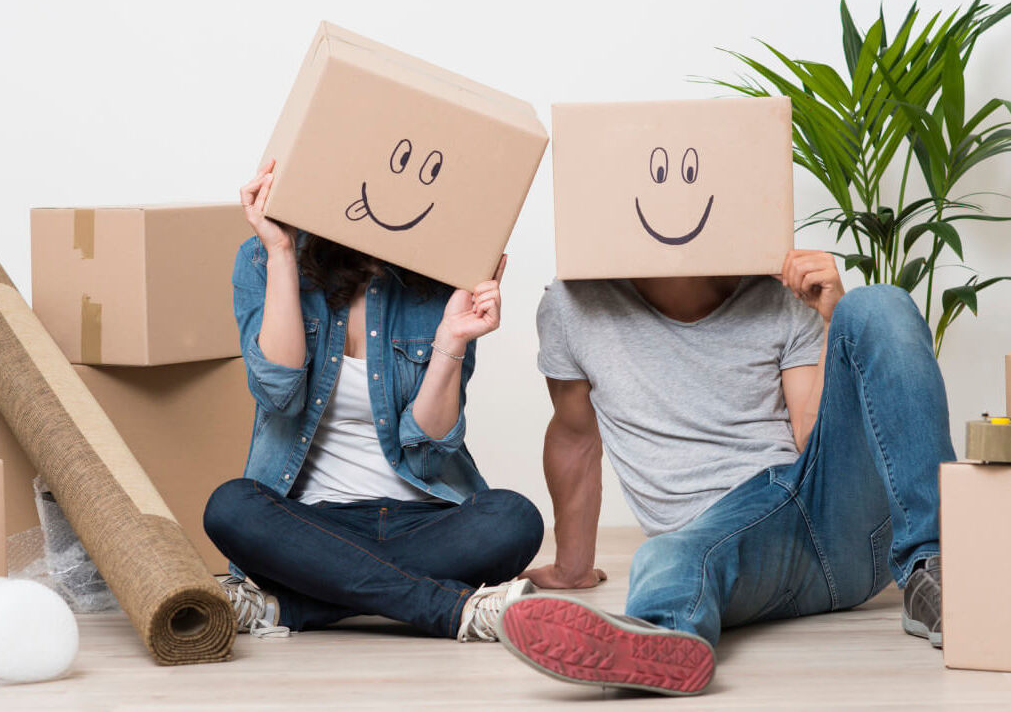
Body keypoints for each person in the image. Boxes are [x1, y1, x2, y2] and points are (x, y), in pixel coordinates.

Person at [498, 251, 952, 695]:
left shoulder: (779, 292)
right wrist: (572, 567)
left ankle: (932, 573)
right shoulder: (573, 304)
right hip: (726, 553)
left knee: (879, 302)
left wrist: (832, 321)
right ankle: (660, 644)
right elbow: (575, 434)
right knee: (672, 553)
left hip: (828, 517)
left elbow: (810, 435)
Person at [203, 160, 544, 642]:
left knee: (514, 519)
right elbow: (278, 396)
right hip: (309, 523)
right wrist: (281, 253)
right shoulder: (262, 259)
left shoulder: (447, 275)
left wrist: (451, 341)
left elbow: (427, 451)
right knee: (231, 507)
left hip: (425, 521)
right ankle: (454, 609)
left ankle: (292, 606)